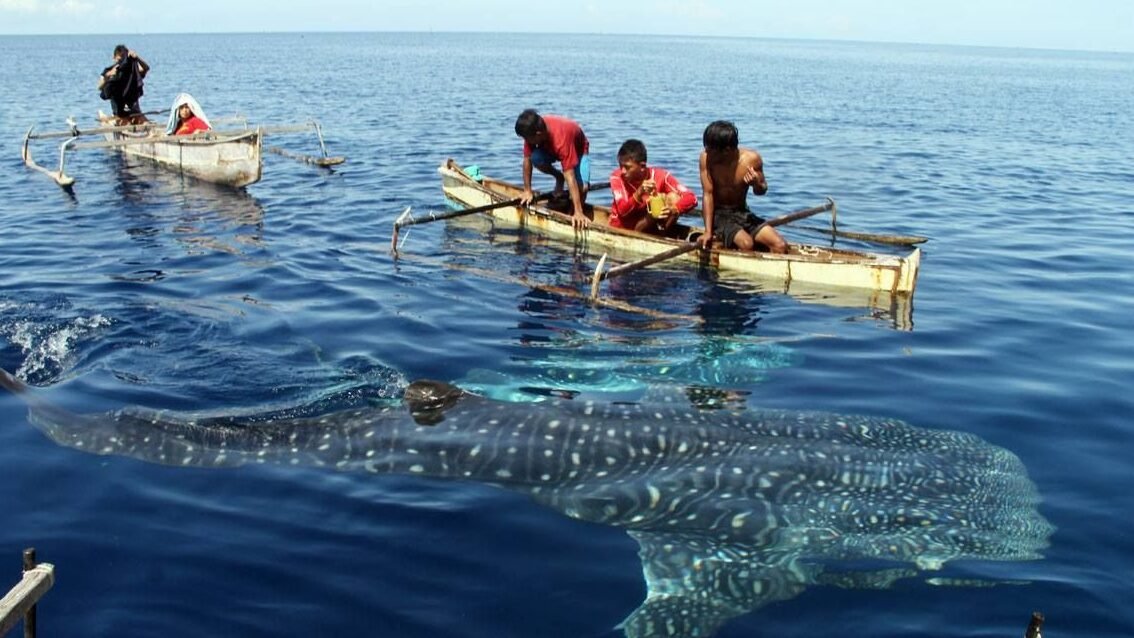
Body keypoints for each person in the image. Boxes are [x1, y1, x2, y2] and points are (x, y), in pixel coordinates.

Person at [698, 120, 788, 253]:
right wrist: (708, 232)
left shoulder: (752, 160)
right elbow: (708, 194)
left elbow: (761, 190)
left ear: (727, 150)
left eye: (710, 149)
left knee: (780, 245)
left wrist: (756, 183)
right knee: (747, 244)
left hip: (742, 212)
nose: (706, 151)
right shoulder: (706, 159)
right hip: (718, 215)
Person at [514, 109, 591, 230]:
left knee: (583, 188)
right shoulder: (531, 131)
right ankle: (558, 178)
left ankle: (576, 213)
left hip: (578, 148)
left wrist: (578, 212)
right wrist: (527, 190)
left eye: (528, 139)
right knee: (536, 158)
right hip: (550, 147)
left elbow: (570, 176)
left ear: (538, 134)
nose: (526, 142)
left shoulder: (561, 139)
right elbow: (527, 160)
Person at [608, 139, 697, 236]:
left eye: (627, 167)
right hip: (623, 227)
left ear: (642, 166)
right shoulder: (617, 177)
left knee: (674, 198)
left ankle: (662, 234)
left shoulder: (661, 176)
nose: (623, 171)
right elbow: (623, 211)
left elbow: (692, 198)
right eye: (621, 166)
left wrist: (674, 209)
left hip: (650, 225)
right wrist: (639, 192)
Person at [98, 44, 150, 125]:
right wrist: (108, 75)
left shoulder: (131, 72)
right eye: (119, 59)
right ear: (114, 58)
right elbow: (99, 87)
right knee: (126, 124)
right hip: (119, 114)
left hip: (135, 112)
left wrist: (137, 58)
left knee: (146, 124)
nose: (122, 62)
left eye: (124, 58)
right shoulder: (109, 71)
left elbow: (146, 68)